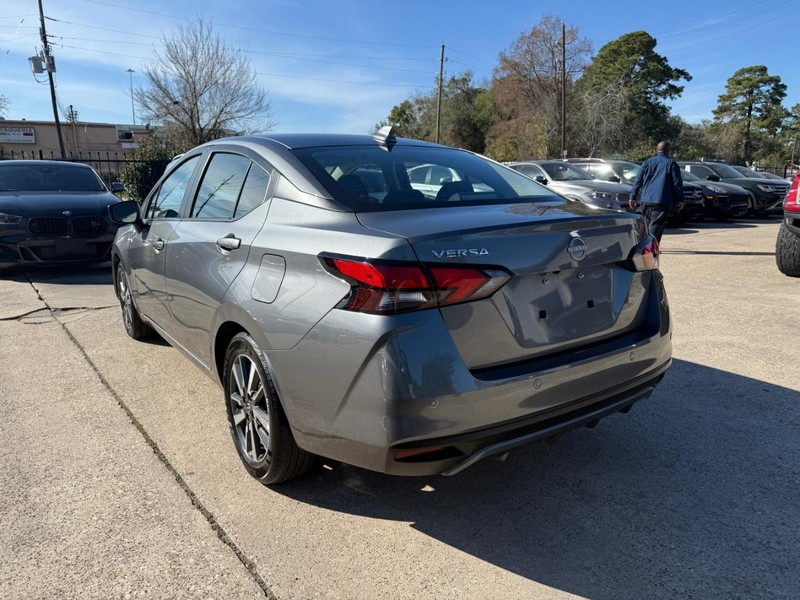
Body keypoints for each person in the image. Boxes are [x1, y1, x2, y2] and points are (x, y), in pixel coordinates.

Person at [629, 141, 684, 243]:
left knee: (646, 224)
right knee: (656, 225)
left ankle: (641, 245)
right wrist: (680, 199)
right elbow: (677, 183)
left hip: (646, 199)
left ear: (657, 150)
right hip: (662, 200)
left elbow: (638, 180)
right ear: (668, 151)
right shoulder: (671, 163)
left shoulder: (647, 162)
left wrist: (633, 196)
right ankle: (649, 247)